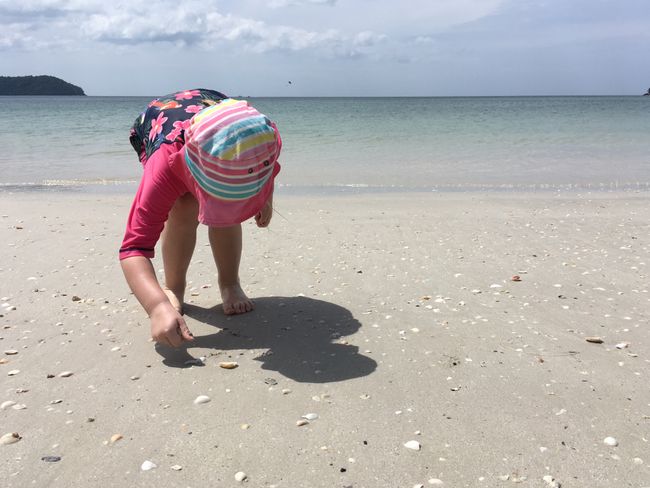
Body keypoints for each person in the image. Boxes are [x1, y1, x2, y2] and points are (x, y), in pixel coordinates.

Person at [120, 89, 282, 348]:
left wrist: (264, 196)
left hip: (218, 113)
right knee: (183, 209)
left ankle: (230, 283)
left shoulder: (259, 136)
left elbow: (267, 167)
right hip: (160, 125)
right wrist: (156, 306)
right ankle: (173, 287)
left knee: (227, 213)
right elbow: (133, 248)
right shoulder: (163, 169)